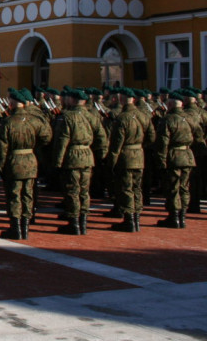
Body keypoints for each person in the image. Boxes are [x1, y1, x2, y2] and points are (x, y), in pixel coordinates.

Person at [0, 89, 53, 240]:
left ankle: (16, 228)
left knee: (14, 195)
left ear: (13, 103)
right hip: (30, 159)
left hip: (14, 161)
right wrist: (34, 145)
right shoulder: (34, 120)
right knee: (28, 194)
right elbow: (47, 137)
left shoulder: (7, 122)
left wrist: (0, 166)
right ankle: (25, 227)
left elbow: (2, 148)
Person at [51, 89, 107, 235]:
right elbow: (102, 137)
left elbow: (62, 140)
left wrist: (57, 162)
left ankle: (74, 222)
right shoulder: (92, 116)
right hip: (88, 156)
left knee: (72, 190)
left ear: (73, 100)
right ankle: (83, 221)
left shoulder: (68, 116)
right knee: (84, 191)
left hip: (72, 156)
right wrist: (100, 155)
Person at [106, 87, 155, 232]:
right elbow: (152, 137)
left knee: (126, 188)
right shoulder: (143, 115)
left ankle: (129, 220)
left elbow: (116, 143)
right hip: (139, 154)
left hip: (126, 156)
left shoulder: (122, 117)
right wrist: (140, 146)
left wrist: (112, 161)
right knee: (137, 187)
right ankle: (137, 218)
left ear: (121, 99)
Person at [154, 92, 200, 228]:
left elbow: (163, 142)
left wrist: (161, 160)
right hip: (188, 155)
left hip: (174, 155)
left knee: (173, 187)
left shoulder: (168, 119)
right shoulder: (191, 118)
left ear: (169, 105)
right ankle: (182, 217)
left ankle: (174, 216)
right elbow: (199, 137)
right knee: (184, 187)